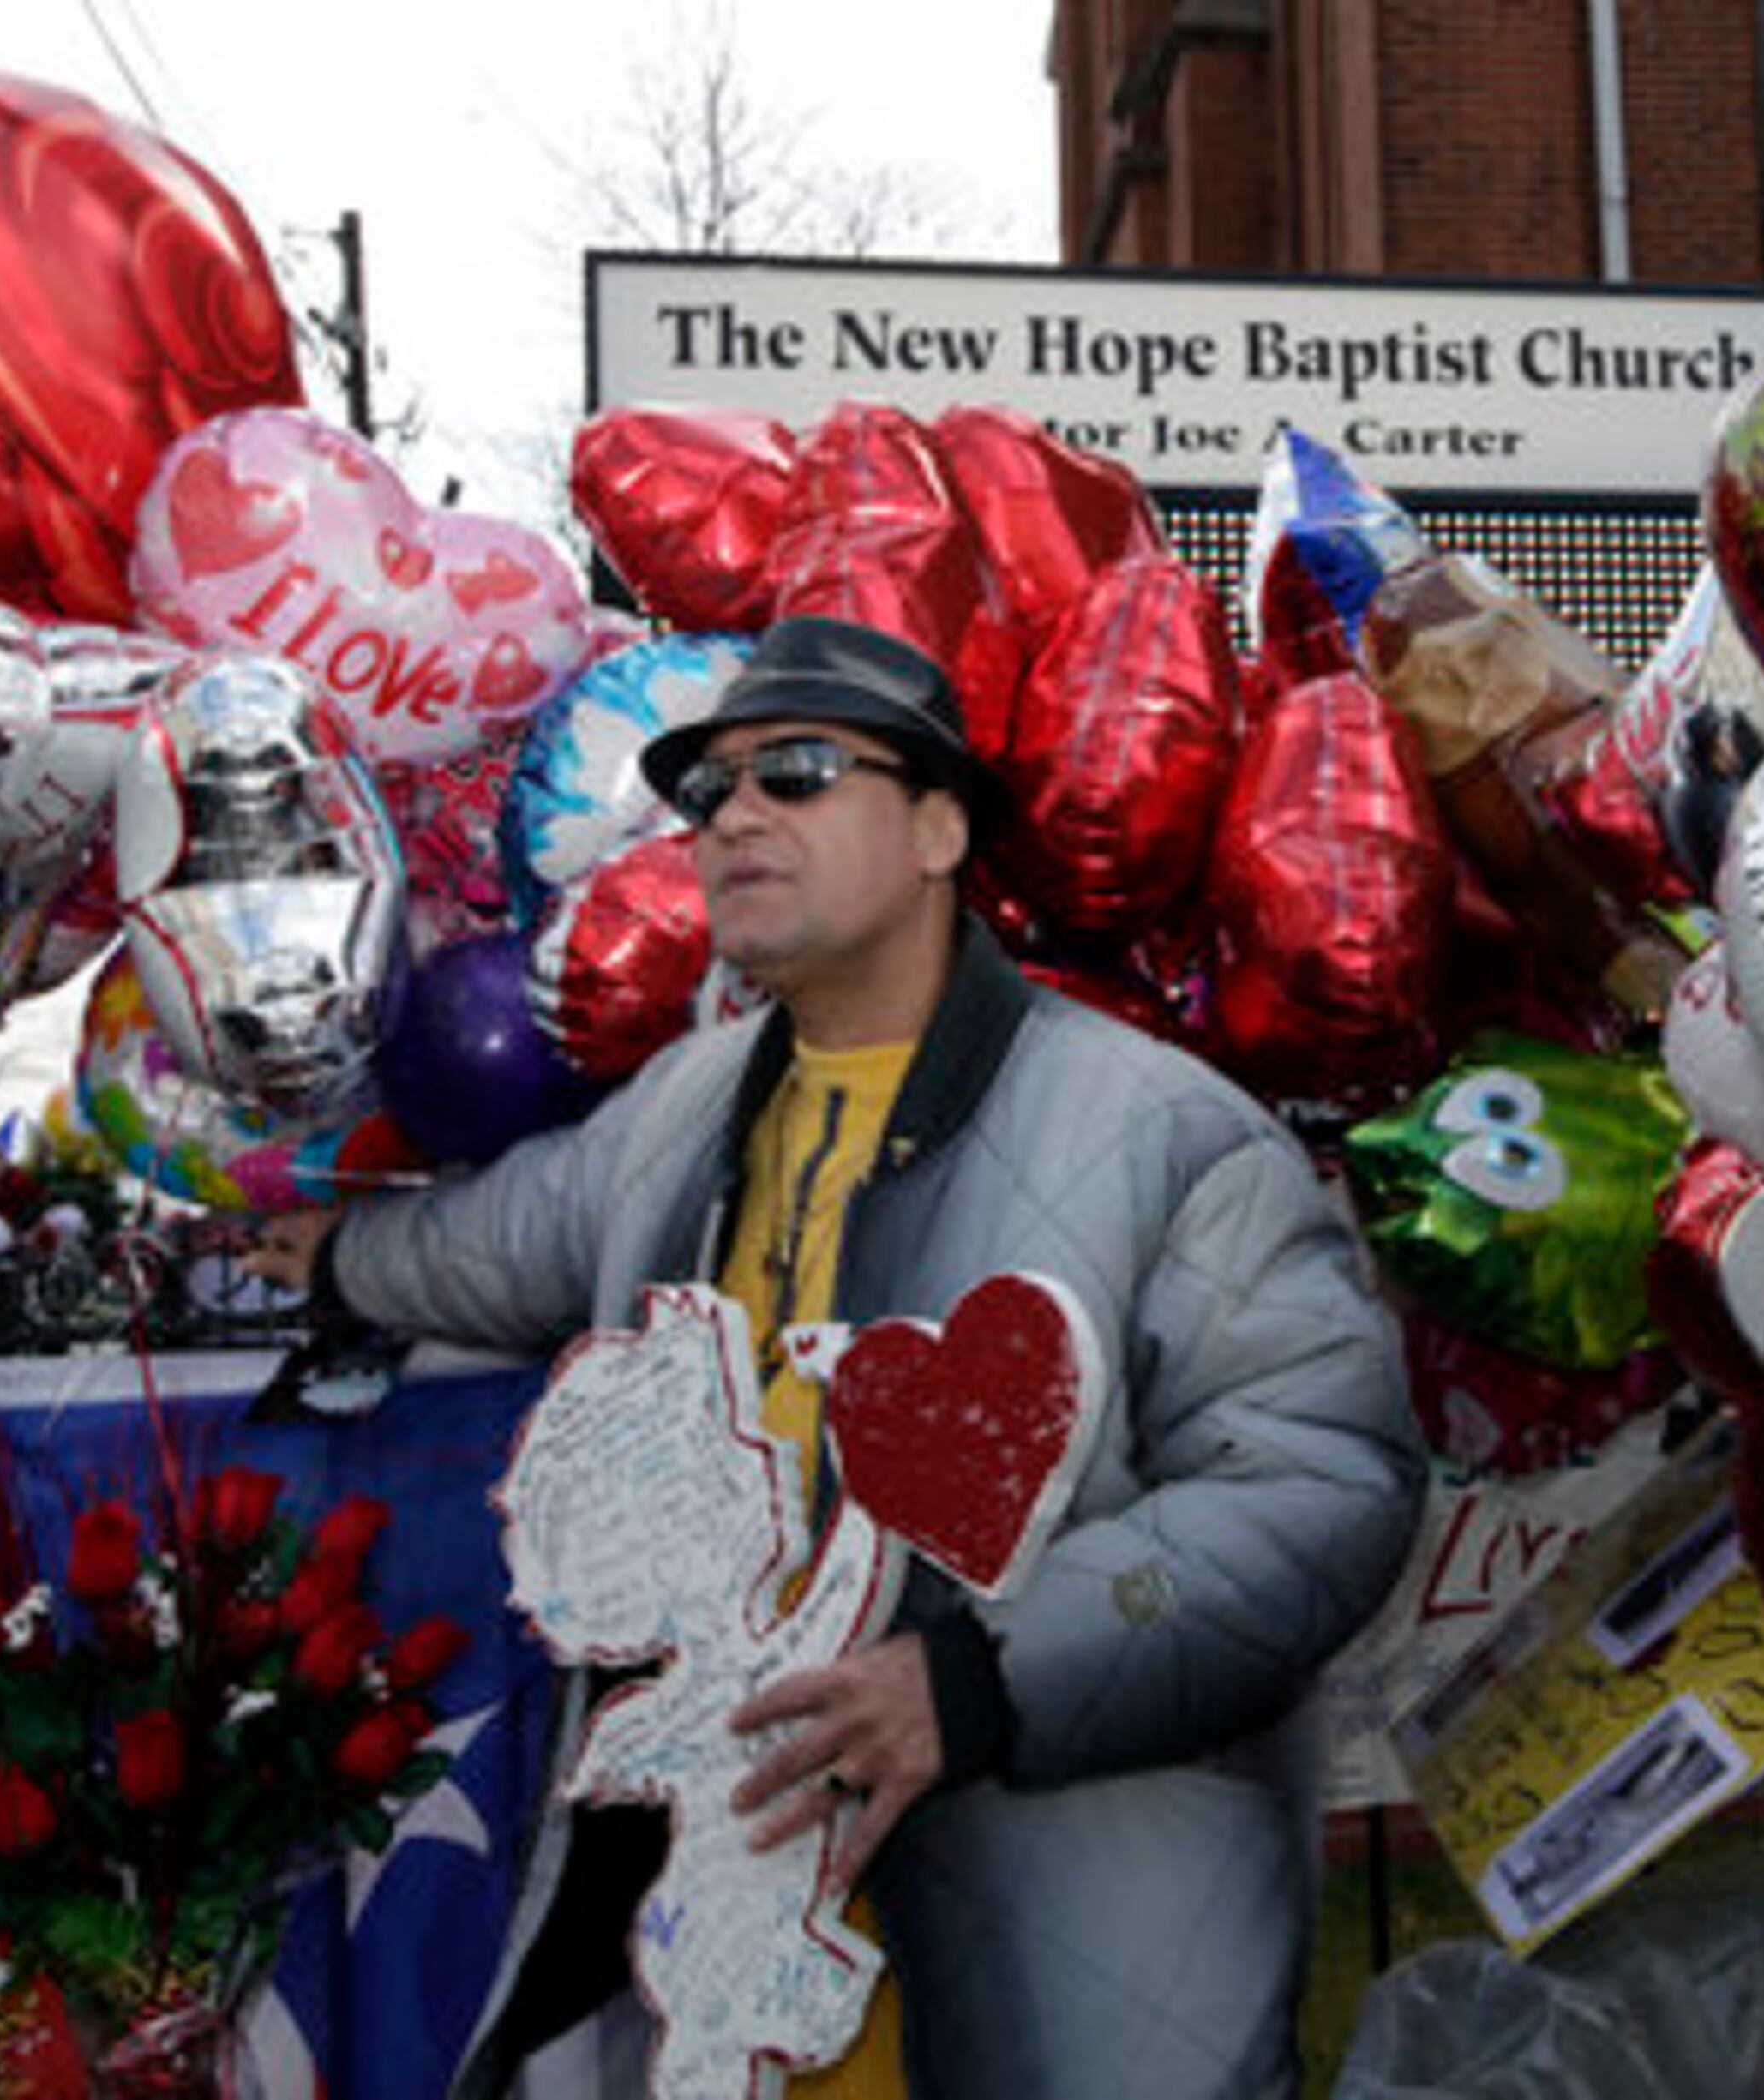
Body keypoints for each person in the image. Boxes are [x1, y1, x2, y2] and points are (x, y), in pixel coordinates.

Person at [246, 613, 1424, 2099]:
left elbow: (1326, 1488)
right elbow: (511, 1241)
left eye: (795, 772)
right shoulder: (683, 1110)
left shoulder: (1170, 1135)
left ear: (939, 828)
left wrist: (979, 1677)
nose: (734, 814)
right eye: (708, 790)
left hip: (1069, 1975)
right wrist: (336, 1254)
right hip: (734, 1985)